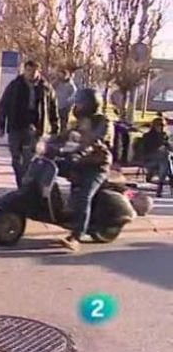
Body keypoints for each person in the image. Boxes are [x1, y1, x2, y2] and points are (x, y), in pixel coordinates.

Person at [58, 89, 112, 252]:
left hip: (97, 165)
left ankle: (76, 236)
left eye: (80, 103)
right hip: (81, 162)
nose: (77, 106)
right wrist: (46, 143)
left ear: (90, 105)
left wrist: (85, 143)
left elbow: (96, 139)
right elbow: (65, 136)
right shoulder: (81, 121)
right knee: (50, 168)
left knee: (84, 196)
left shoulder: (104, 122)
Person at [0, 60, 60, 187]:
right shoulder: (15, 86)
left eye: (34, 71)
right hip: (16, 125)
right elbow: (4, 105)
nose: (31, 74)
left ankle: (25, 186)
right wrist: (0, 125)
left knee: (28, 159)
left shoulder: (45, 87)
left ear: (38, 71)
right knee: (16, 159)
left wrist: (55, 126)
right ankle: (22, 183)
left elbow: (53, 107)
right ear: (24, 70)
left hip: (35, 127)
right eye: (29, 70)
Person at [139, 118, 172, 190]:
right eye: (160, 125)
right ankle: (162, 180)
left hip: (161, 160)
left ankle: (161, 181)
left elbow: (169, 147)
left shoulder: (165, 136)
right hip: (149, 159)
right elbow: (147, 149)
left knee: (166, 158)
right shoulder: (147, 136)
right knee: (164, 158)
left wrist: (168, 144)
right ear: (154, 126)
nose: (162, 127)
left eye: (163, 125)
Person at [54, 66, 78, 133]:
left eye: (62, 75)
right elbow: (51, 89)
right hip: (57, 104)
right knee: (56, 120)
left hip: (65, 106)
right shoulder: (57, 83)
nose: (61, 77)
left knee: (64, 121)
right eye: (60, 75)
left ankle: (63, 133)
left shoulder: (70, 85)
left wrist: (69, 104)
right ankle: (56, 133)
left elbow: (74, 95)